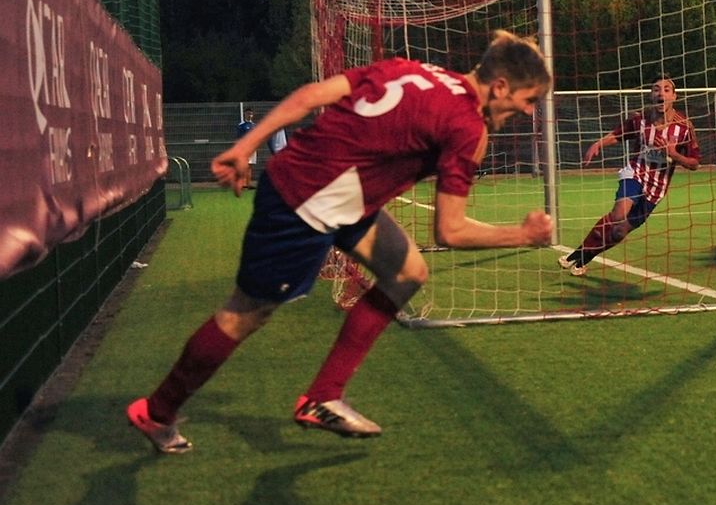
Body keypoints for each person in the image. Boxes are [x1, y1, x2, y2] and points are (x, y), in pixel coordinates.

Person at [127, 30, 554, 453]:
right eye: (529, 99)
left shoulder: (411, 69)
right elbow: (450, 231)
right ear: (500, 86)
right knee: (244, 314)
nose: (528, 110)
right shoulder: (465, 126)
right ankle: (158, 411)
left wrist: (247, 146)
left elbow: (311, 95)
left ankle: (324, 396)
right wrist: (522, 235)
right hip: (304, 203)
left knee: (408, 272)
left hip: (338, 195)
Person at [558, 74, 699, 275]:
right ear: (651, 95)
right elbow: (618, 134)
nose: (661, 93)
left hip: (656, 189)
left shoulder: (684, 126)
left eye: (666, 89)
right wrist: (598, 144)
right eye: (656, 89)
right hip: (635, 174)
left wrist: (673, 154)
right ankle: (574, 255)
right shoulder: (640, 119)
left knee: (619, 232)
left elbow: (694, 164)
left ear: (674, 96)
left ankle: (582, 260)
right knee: (618, 215)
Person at [236, 109, 259, 187]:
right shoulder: (241, 125)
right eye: (248, 113)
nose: (250, 115)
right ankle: (242, 183)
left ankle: (248, 184)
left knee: (250, 166)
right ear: (245, 114)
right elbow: (239, 138)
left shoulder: (254, 125)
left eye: (251, 114)